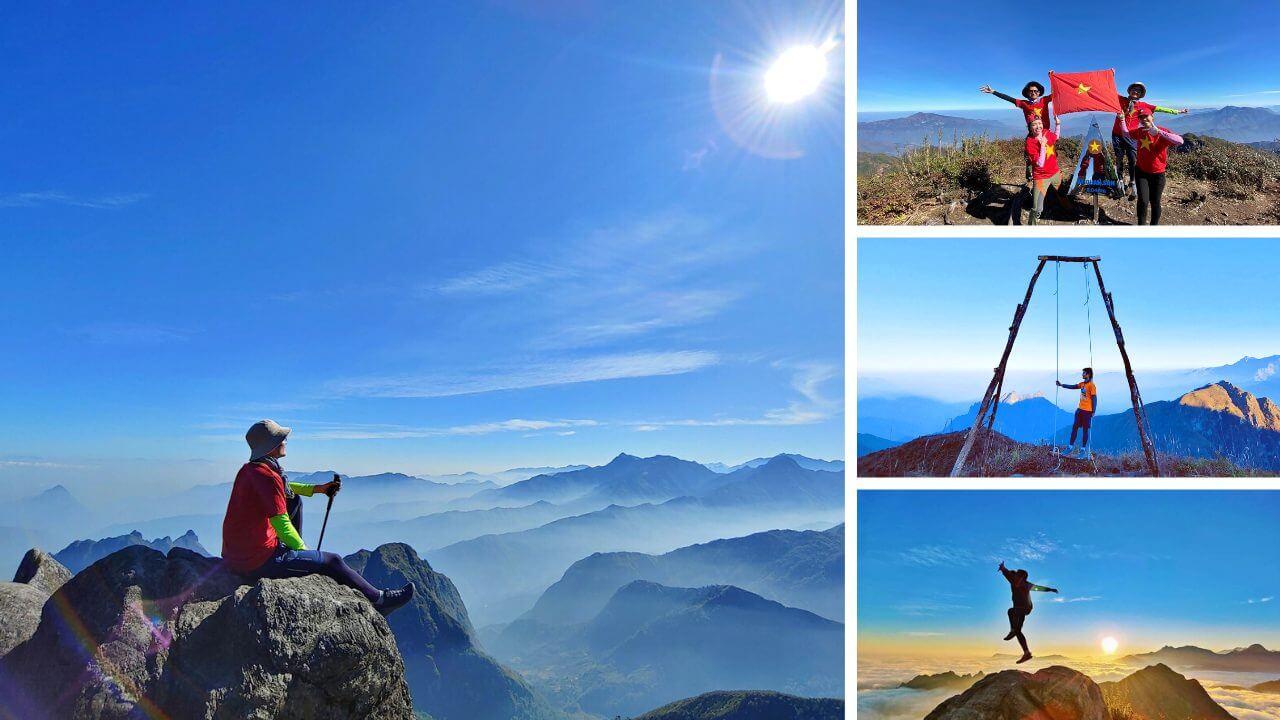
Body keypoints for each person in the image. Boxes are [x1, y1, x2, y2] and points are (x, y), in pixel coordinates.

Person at [221, 420, 415, 615]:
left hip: (237, 556)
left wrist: (319, 489)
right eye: (281, 439)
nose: (285, 441)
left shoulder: (251, 470)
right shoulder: (268, 477)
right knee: (332, 561)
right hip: (257, 562)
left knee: (294, 500)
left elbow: (281, 489)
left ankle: (292, 553)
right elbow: (282, 524)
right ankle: (380, 600)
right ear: (271, 445)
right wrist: (305, 554)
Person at [1111, 82, 1188, 198]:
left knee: (1133, 159)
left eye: (1138, 91)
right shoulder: (1120, 99)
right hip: (1117, 134)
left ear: (1141, 94)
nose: (1135, 91)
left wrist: (1178, 111)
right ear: (1129, 90)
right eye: (1134, 89)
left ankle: (1132, 182)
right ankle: (1120, 181)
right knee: (1119, 158)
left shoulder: (1143, 105)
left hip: (1132, 135)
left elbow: (1161, 109)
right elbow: (1109, 94)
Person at [980, 81, 1057, 183]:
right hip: (1033, 133)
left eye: (1036, 91)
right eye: (1031, 91)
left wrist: (1053, 80)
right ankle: (1031, 176)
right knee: (1030, 155)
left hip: (1046, 133)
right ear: (1027, 93)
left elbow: (1056, 94)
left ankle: (1051, 173)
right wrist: (993, 92)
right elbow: (1009, 99)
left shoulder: (1044, 100)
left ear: (1039, 92)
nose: (1033, 93)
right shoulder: (1024, 103)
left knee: (1051, 153)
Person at [1119, 111, 1185, 225]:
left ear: (1152, 117)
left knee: (1155, 202)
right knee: (1143, 201)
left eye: (1146, 116)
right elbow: (1126, 133)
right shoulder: (1140, 131)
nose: (1144, 119)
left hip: (1158, 174)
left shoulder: (1162, 131)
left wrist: (1159, 132)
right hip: (1141, 172)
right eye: (1141, 117)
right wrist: (1121, 119)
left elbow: (1180, 141)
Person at [999, 561, 1058, 664]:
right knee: (1018, 631)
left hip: (1023, 608)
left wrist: (1003, 568)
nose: (1015, 576)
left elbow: (1009, 574)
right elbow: (1038, 588)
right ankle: (1026, 653)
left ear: (1021, 577)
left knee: (1011, 612)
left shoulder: (1020, 583)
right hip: (1023, 609)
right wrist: (1050, 589)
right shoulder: (1022, 583)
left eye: (1017, 575)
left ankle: (1012, 630)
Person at [1024, 116, 1060, 225]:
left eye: (1040, 123)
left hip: (1055, 172)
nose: (1038, 126)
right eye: (1034, 124)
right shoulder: (1030, 143)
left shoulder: (1046, 132)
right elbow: (1040, 164)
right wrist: (1043, 146)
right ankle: (1032, 224)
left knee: (1062, 194)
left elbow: (1056, 137)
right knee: (1037, 207)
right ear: (1030, 127)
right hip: (1041, 177)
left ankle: (1068, 209)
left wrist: (1057, 124)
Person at [1057, 367, 1098, 458]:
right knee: (1074, 428)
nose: (1082, 374)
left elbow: (1094, 399)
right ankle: (1070, 447)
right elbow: (1073, 386)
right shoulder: (1082, 384)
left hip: (1087, 411)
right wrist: (1062, 385)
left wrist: (1093, 411)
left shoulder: (1092, 385)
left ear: (1088, 374)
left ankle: (1082, 450)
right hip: (1079, 410)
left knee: (1085, 430)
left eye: (1084, 373)